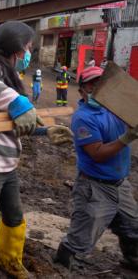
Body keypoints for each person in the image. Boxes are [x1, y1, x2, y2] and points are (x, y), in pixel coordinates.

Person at [0, 21, 74, 279]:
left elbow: (13, 122)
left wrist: (45, 131)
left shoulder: (9, 73)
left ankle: (10, 261)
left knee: (14, 215)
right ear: (18, 48)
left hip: (7, 164)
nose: (30, 53)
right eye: (30, 47)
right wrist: (20, 102)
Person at [54, 66, 138, 271]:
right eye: (91, 83)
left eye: (99, 82)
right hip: (95, 187)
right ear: (82, 89)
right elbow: (98, 153)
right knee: (80, 239)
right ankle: (59, 268)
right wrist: (127, 138)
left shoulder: (113, 107)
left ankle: (133, 260)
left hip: (121, 184)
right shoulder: (84, 118)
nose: (96, 87)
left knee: (132, 228)